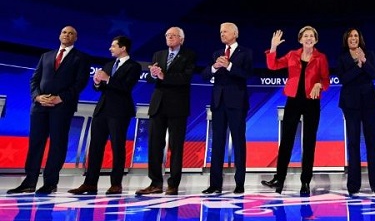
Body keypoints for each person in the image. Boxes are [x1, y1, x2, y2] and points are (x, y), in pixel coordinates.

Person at [8, 26, 90, 195]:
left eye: (71, 33)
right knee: (35, 143)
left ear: (76, 38)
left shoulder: (81, 58)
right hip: (39, 106)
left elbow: (80, 83)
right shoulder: (46, 56)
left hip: (61, 106)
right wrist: (37, 97)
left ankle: (50, 183)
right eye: (64, 32)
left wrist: (61, 97)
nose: (66, 35)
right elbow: (34, 80)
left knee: (57, 144)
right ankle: (29, 182)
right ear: (59, 35)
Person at [68, 36, 142, 195]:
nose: (110, 48)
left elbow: (126, 87)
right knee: (95, 147)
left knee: (117, 147)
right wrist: (97, 82)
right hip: (102, 110)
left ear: (123, 48)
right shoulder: (108, 65)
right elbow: (100, 88)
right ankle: (90, 183)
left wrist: (108, 79)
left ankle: (116, 184)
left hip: (120, 111)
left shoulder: (133, 66)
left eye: (113, 46)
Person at [260, 26, 330, 194]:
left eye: (312, 36)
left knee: (309, 142)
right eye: (305, 36)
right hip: (293, 100)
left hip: (312, 102)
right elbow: (273, 65)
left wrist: (319, 84)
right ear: (300, 40)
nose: (308, 38)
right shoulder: (292, 55)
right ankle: (279, 179)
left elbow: (326, 80)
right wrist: (274, 47)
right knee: (286, 141)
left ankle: (305, 181)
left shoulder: (321, 58)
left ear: (316, 40)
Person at [135, 27, 196, 196]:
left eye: (173, 36)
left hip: (177, 106)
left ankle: (173, 184)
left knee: (176, 147)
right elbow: (149, 78)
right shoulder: (158, 55)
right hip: (158, 105)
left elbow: (185, 78)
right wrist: (153, 75)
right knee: (154, 145)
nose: (169, 38)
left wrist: (164, 77)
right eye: (167, 36)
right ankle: (155, 183)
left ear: (181, 39)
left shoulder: (189, 55)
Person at [201, 22, 253, 194]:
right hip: (218, 103)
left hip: (236, 103)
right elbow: (205, 75)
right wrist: (215, 67)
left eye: (225, 31)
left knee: (239, 142)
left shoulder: (245, 53)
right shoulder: (217, 53)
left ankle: (240, 183)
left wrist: (229, 66)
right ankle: (215, 184)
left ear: (235, 34)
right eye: (221, 31)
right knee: (217, 143)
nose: (222, 34)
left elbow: (246, 75)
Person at [335, 28, 375, 195]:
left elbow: (374, 74)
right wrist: (358, 65)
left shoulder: (368, 53)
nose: (353, 38)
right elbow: (344, 79)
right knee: (353, 142)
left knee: (371, 142)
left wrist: (364, 60)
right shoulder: (342, 57)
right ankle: (353, 185)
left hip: (369, 101)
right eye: (350, 36)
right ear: (346, 40)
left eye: (356, 36)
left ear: (360, 38)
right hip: (350, 103)